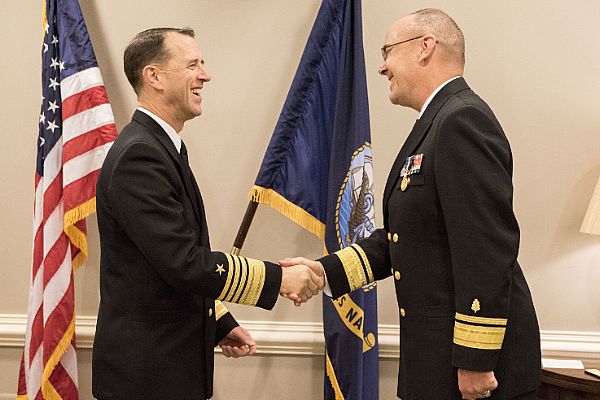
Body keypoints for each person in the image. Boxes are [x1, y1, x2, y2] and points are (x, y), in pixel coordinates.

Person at [282, 9, 541, 400]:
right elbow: (404, 239)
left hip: (470, 370)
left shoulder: (461, 120)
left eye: (388, 51)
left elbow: (485, 248)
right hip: (437, 362)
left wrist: (475, 358)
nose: (382, 66)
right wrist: (323, 271)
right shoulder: (437, 122)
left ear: (425, 48)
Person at [92, 27, 322, 400]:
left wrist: (217, 322)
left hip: (163, 371)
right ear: (154, 77)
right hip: (147, 379)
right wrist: (279, 278)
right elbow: (182, 261)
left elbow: (158, 271)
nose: (205, 75)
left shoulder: (159, 147)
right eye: (193, 65)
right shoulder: (141, 155)